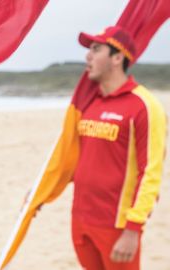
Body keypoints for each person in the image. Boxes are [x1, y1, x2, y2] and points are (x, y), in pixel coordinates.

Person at [70, 26, 166, 270]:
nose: (88, 57)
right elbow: (73, 159)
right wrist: (42, 192)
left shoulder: (144, 105)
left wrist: (133, 230)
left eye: (95, 49)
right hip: (80, 221)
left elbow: (151, 174)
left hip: (116, 226)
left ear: (117, 57)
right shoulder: (89, 103)